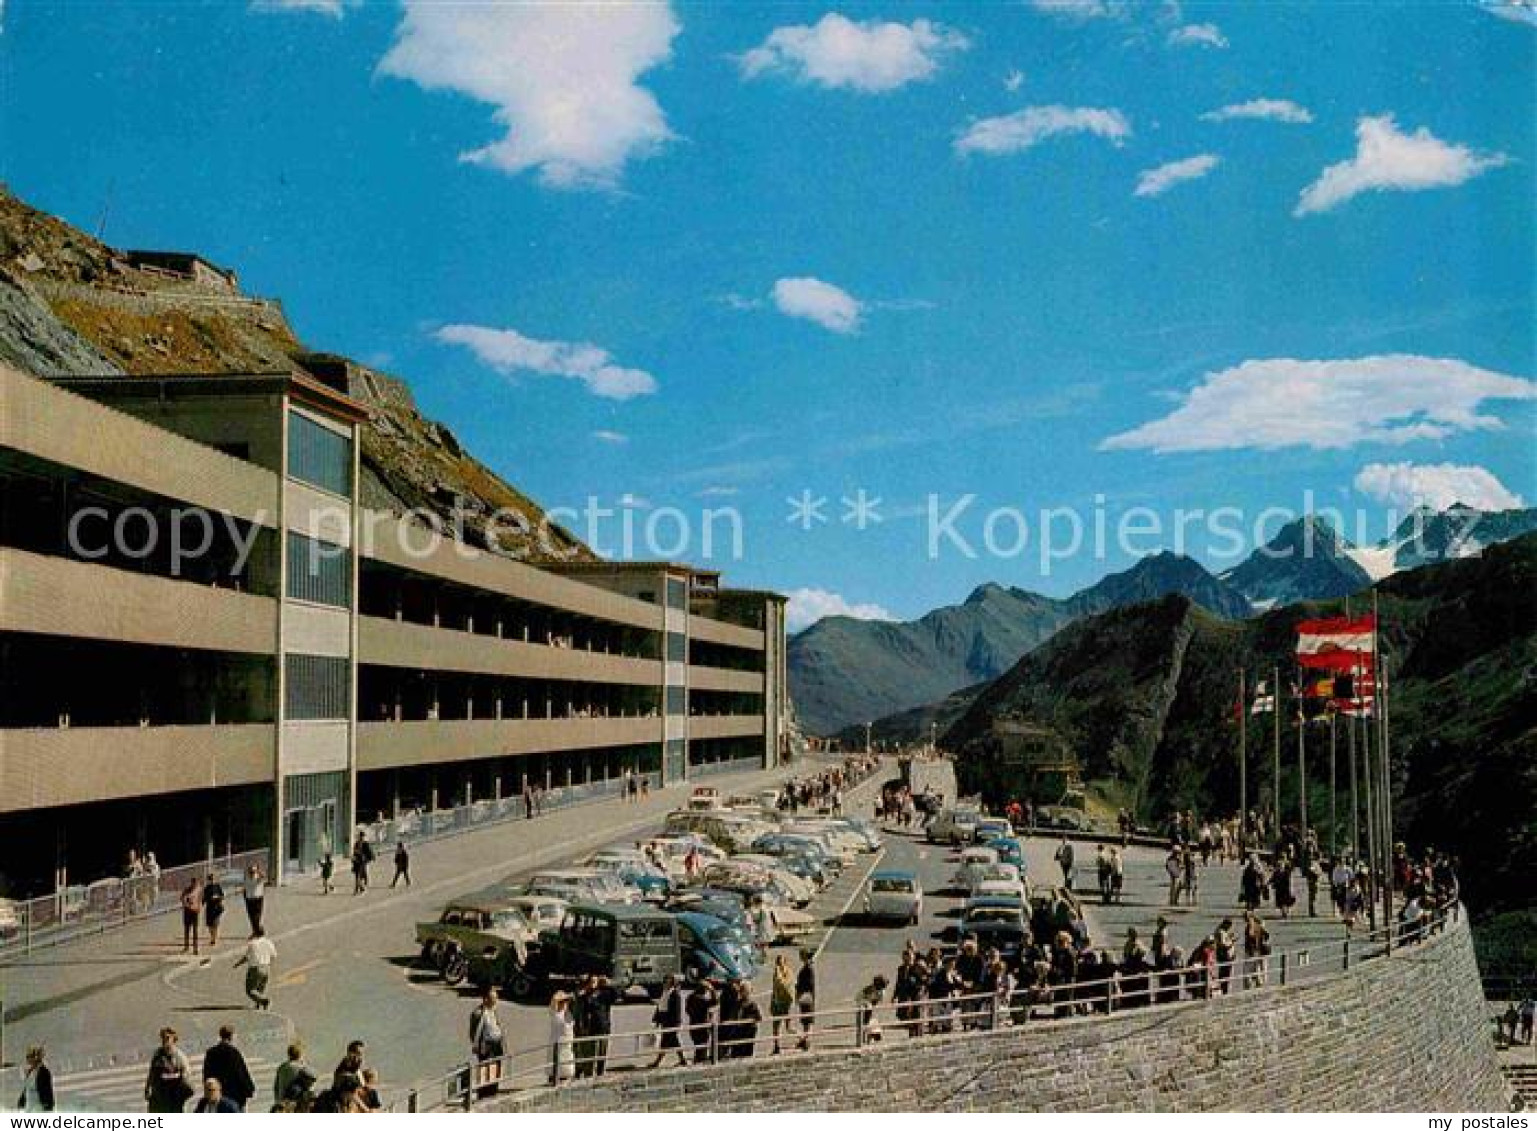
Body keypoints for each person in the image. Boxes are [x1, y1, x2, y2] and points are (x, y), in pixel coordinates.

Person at [201, 1026, 255, 1112]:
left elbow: (206, 1075)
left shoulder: (211, 1053)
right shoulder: (234, 1053)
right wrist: (249, 1090)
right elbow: (241, 1074)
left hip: (216, 1096)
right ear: (232, 1036)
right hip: (235, 1096)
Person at [145, 1027, 194, 1113]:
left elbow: (186, 1075)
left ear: (174, 1039)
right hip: (159, 1095)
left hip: (174, 1096)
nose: (164, 1040)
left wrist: (171, 1076)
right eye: (163, 1038)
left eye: (167, 1038)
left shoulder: (180, 1056)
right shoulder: (157, 1054)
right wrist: (147, 1087)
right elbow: (152, 1072)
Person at [469, 988, 505, 1097]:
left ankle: (493, 1091)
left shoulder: (494, 1010)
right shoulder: (478, 1013)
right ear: (485, 999)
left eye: (496, 998)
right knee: (485, 1070)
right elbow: (473, 1033)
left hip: (496, 1046)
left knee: (495, 1069)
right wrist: (478, 1047)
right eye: (493, 999)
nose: (495, 1001)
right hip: (486, 1046)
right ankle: (483, 1094)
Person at [649, 974, 687, 1068]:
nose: (665, 984)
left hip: (671, 1021)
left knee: (667, 1041)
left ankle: (658, 1061)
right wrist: (656, 1019)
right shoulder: (664, 992)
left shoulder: (675, 994)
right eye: (665, 981)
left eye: (668, 982)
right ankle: (682, 1059)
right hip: (665, 1020)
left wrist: (677, 1023)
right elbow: (660, 1006)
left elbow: (677, 1010)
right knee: (672, 1041)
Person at [234, 926, 276, 1009]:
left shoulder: (253, 944)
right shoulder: (269, 942)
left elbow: (246, 957)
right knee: (261, 989)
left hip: (255, 968)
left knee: (250, 990)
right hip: (266, 967)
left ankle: (265, 1001)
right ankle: (259, 1005)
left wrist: (237, 964)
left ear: (254, 933)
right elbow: (273, 956)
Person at [685, 978, 717, 1063]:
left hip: (693, 1024)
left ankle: (697, 1059)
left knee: (697, 1044)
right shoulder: (702, 1000)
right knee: (703, 1045)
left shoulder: (690, 997)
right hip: (703, 1025)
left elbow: (687, 1010)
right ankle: (700, 1061)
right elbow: (715, 1001)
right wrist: (712, 990)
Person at [272, 1044, 312, 1111]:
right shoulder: (302, 1068)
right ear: (300, 1055)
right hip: (296, 1106)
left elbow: (276, 1087)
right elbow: (309, 1089)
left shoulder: (281, 1067)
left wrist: (278, 1101)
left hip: (282, 1104)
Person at [549, 992, 576, 1085]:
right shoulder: (554, 1012)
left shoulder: (569, 1013)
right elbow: (554, 999)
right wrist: (563, 996)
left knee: (567, 1068)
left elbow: (575, 998)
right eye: (562, 1002)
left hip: (568, 1045)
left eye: (565, 1002)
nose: (564, 1004)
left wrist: (568, 997)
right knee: (556, 1066)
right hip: (557, 1044)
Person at [16, 1046, 54, 1112]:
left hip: (39, 1104)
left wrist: (47, 1104)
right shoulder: (30, 1071)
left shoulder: (43, 1071)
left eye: (29, 1057)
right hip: (29, 1103)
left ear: (35, 1058)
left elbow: (47, 1089)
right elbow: (27, 1087)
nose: (27, 1059)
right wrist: (22, 1100)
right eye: (27, 1057)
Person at [770, 954, 794, 1054]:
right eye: (778, 963)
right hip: (777, 1002)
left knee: (788, 1027)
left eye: (781, 963)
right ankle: (776, 1046)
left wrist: (778, 974)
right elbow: (775, 988)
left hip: (785, 1002)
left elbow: (783, 984)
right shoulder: (777, 973)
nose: (779, 965)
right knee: (776, 1026)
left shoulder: (787, 972)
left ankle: (803, 1039)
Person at [795, 948, 817, 1050]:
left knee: (807, 1020)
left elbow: (810, 984)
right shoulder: (807, 967)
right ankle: (804, 1040)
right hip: (806, 996)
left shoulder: (808, 968)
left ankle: (807, 1041)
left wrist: (800, 989)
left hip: (806, 997)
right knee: (805, 1020)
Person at [856, 974, 888, 1043]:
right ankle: (863, 1040)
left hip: (872, 1008)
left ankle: (871, 1038)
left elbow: (878, 1000)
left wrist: (873, 1004)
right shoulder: (869, 989)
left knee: (871, 1023)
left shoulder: (882, 991)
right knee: (864, 1023)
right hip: (864, 1005)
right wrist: (867, 1005)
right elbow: (860, 998)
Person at [180, 877, 203, 955]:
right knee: (187, 930)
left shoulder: (199, 889)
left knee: (195, 930)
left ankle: (195, 948)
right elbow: (182, 899)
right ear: (192, 883)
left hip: (195, 913)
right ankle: (186, 946)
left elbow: (200, 899)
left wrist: (199, 907)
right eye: (194, 883)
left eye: (197, 883)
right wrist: (188, 906)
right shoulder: (187, 890)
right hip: (188, 912)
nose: (196, 885)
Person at [203, 872, 226, 947]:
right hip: (209, 908)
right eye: (210, 879)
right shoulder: (206, 888)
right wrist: (204, 901)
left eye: (213, 879)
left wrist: (218, 897)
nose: (212, 880)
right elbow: (204, 899)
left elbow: (222, 896)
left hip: (217, 908)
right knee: (209, 925)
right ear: (208, 880)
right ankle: (212, 937)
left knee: (215, 924)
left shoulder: (218, 886)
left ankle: (214, 939)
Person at [242, 865, 266, 933]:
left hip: (257, 899)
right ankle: (255, 931)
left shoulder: (258, 877)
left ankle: (259, 931)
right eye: (250, 871)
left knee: (256, 917)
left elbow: (263, 876)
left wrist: (258, 871)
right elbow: (245, 887)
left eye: (253, 871)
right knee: (251, 917)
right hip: (249, 899)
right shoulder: (246, 877)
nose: (252, 873)